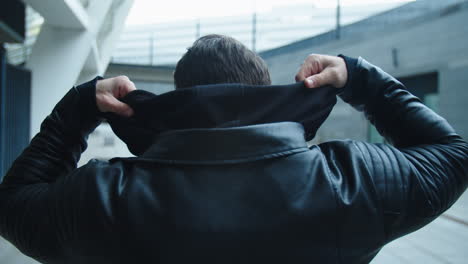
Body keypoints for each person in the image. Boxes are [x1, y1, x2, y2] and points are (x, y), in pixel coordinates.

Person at [0, 34, 466, 264]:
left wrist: (81, 107)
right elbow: (451, 153)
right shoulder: (354, 181)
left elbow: (13, 203)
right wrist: (362, 78)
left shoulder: (100, 197)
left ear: (181, 97)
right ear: (264, 95)